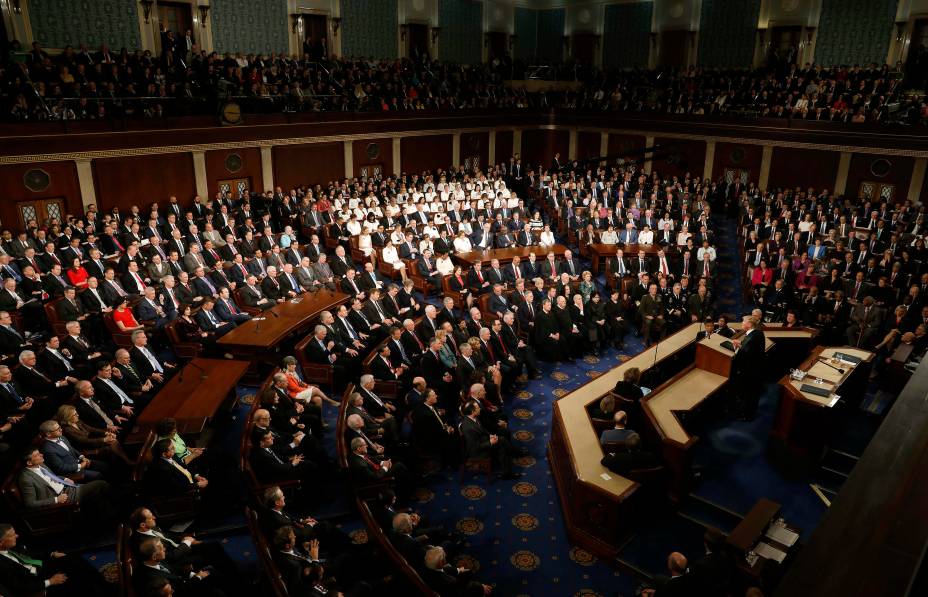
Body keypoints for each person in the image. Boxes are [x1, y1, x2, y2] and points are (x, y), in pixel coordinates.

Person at [731, 315, 765, 421]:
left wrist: (737, 349)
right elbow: (751, 348)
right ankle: (748, 412)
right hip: (755, 370)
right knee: (751, 394)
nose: (742, 323)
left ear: (749, 324)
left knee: (748, 394)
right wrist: (741, 343)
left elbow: (745, 354)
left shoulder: (752, 337)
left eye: (743, 321)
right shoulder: (757, 333)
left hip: (749, 372)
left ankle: (746, 415)